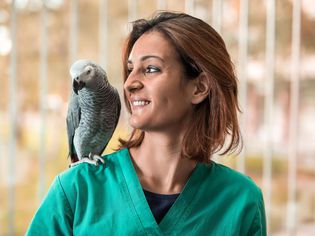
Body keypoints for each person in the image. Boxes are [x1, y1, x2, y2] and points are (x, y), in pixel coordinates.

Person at [26, 11, 266, 235]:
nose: (129, 83)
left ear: (199, 87)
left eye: (150, 69)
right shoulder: (77, 188)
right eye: (130, 70)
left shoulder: (241, 200)